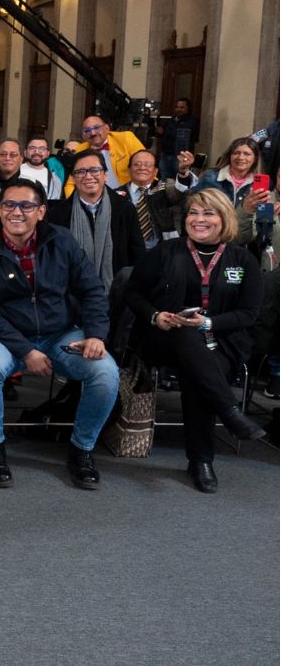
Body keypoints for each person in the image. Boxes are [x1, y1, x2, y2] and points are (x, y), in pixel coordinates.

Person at [0, 179, 120, 490]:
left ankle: (81, 450)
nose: (16, 212)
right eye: (9, 205)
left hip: (60, 334)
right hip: (6, 337)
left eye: (26, 206)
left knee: (105, 371)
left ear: (42, 212)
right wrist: (26, 350)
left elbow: (92, 290)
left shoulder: (62, 241)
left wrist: (96, 335)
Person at [125, 188, 265, 493]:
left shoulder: (242, 259)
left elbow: (249, 313)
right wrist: (156, 315)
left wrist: (209, 322)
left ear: (224, 217)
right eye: (193, 213)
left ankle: (201, 459)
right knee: (187, 336)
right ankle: (223, 423)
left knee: (199, 368)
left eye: (208, 213)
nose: (198, 219)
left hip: (221, 341)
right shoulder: (166, 251)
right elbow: (132, 293)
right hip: (164, 339)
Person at [45, 149, 145, 295]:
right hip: (70, 296)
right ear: (73, 178)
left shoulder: (124, 208)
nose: (88, 176)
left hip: (117, 295)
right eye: (81, 172)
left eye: (94, 170)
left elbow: (137, 253)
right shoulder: (57, 214)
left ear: (105, 175)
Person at [192, 137, 273, 246]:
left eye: (247, 154)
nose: (241, 157)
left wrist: (270, 212)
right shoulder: (210, 178)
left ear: (255, 158)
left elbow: (261, 223)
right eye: (236, 153)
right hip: (210, 238)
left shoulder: (259, 185)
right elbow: (191, 207)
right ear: (229, 156)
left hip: (242, 242)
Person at [123, 149, 196, 248]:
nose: (142, 168)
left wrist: (183, 172)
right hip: (127, 249)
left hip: (162, 249)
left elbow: (179, 192)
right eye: (137, 164)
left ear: (155, 171)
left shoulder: (165, 188)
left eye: (148, 165)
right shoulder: (116, 194)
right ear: (129, 170)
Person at [68, 115, 145, 193]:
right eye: (87, 130)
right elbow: (70, 183)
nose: (92, 133)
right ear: (83, 136)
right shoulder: (80, 150)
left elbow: (146, 165)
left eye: (97, 127)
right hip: (96, 198)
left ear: (107, 128)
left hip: (129, 195)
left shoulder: (125, 138)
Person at [154, 97, 199, 179]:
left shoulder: (192, 121)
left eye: (182, 107)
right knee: (164, 179)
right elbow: (162, 134)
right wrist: (159, 132)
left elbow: (182, 134)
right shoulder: (171, 120)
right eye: (177, 107)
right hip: (166, 154)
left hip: (180, 156)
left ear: (188, 108)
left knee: (179, 178)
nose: (179, 109)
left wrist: (166, 132)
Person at [20, 136, 65, 201]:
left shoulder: (55, 179)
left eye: (42, 148)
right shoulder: (15, 172)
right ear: (25, 152)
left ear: (48, 153)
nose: (37, 152)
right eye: (32, 148)